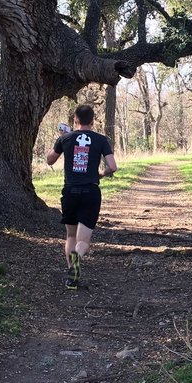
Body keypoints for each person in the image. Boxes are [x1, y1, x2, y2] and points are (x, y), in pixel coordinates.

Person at [47, 104, 118, 289]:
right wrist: (102, 173)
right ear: (93, 121)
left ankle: (72, 276)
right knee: (83, 241)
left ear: (75, 120)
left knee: (70, 235)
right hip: (90, 192)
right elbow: (113, 166)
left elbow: (50, 160)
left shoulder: (65, 139)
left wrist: (60, 142)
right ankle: (77, 257)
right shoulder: (101, 140)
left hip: (70, 192)